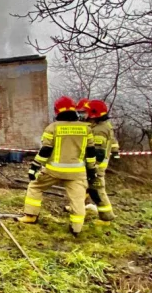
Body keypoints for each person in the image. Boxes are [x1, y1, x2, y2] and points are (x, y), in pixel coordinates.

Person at [18, 96, 97, 236]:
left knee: (35, 187)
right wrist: (92, 170)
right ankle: (76, 228)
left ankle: (30, 216)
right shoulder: (86, 129)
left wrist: (35, 166)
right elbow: (90, 152)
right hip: (77, 173)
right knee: (78, 200)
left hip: (53, 171)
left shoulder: (53, 128)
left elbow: (46, 150)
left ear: (57, 111)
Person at [84, 99, 119, 222]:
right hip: (95, 165)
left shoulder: (99, 130)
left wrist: (92, 167)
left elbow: (98, 152)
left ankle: (107, 217)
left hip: (96, 166)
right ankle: (79, 207)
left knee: (97, 190)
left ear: (94, 114)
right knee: (86, 186)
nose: (85, 114)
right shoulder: (102, 126)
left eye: (87, 112)